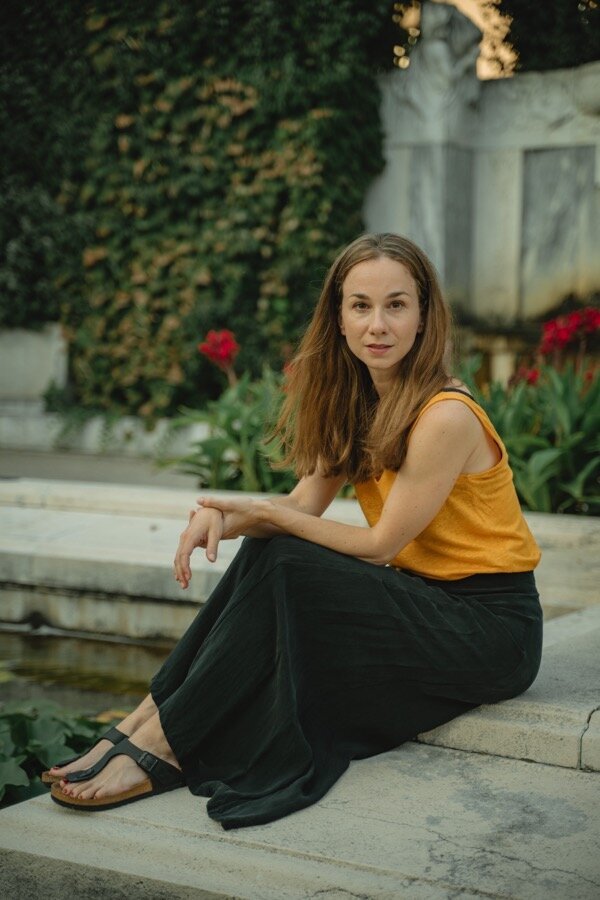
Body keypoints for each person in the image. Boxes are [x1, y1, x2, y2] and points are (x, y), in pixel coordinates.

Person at [47, 233, 542, 829]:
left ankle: (164, 744)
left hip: (490, 631)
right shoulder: (358, 399)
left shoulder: (446, 415)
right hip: (425, 604)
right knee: (272, 547)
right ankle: (141, 723)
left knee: (285, 553)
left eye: (396, 305)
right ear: (338, 317)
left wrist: (266, 516)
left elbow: (379, 545)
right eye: (360, 306)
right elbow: (303, 502)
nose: (377, 325)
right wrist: (225, 517)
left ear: (423, 316)